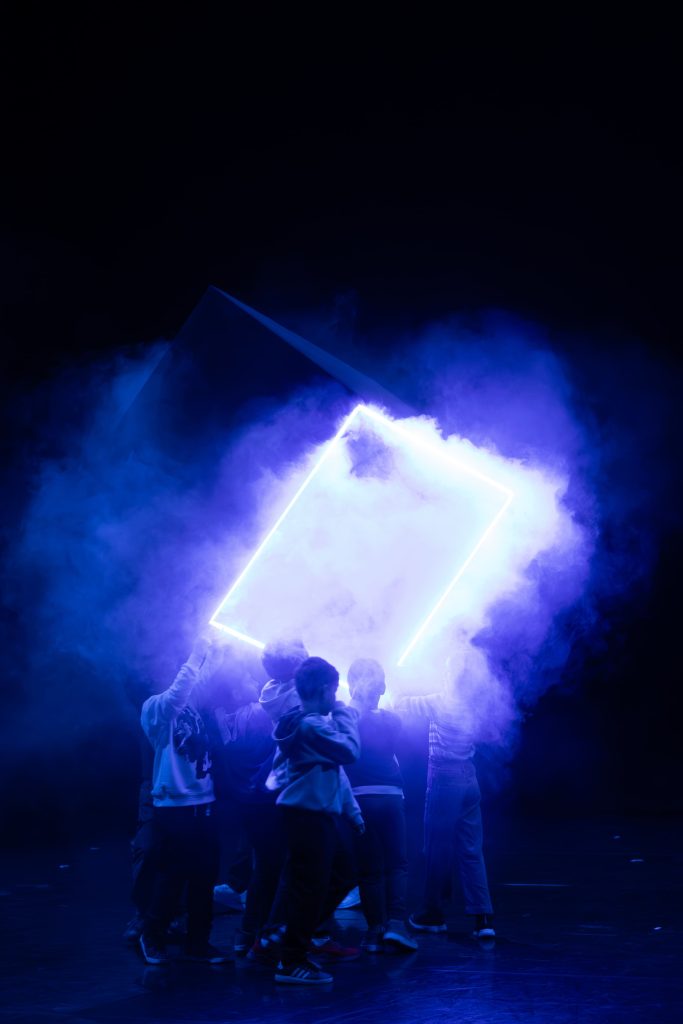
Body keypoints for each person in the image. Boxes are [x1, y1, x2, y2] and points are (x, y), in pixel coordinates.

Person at [268, 656, 364, 984]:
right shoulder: (312, 725)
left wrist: (351, 811)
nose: (336, 696)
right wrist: (344, 712)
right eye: (334, 690)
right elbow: (350, 751)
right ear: (324, 689)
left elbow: (335, 770)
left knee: (341, 874)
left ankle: (292, 933)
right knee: (310, 887)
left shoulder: (303, 722)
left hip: (312, 812)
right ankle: (291, 959)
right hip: (308, 814)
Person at [138, 634, 231, 965]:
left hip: (203, 804)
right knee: (172, 877)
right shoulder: (155, 708)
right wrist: (196, 655)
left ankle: (198, 943)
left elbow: (201, 679)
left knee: (204, 877)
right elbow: (179, 692)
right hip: (174, 808)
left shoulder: (191, 702)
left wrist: (215, 653)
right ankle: (152, 936)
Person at [395, 646, 496, 941]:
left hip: (444, 778)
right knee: (471, 850)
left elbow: (402, 704)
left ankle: (432, 914)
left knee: (436, 847)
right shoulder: (474, 705)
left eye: (448, 669)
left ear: (452, 675)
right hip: (469, 778)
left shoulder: (441, 701)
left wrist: (398, 684)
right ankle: (483, 919)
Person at [345, 658, 417, 953]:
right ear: (382, 687)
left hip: (360, 797)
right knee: (396, 863)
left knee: (369, 868)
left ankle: (374, 931)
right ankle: (396, 925)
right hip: (391, 796)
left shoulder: (346, 717)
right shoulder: (392, 720)